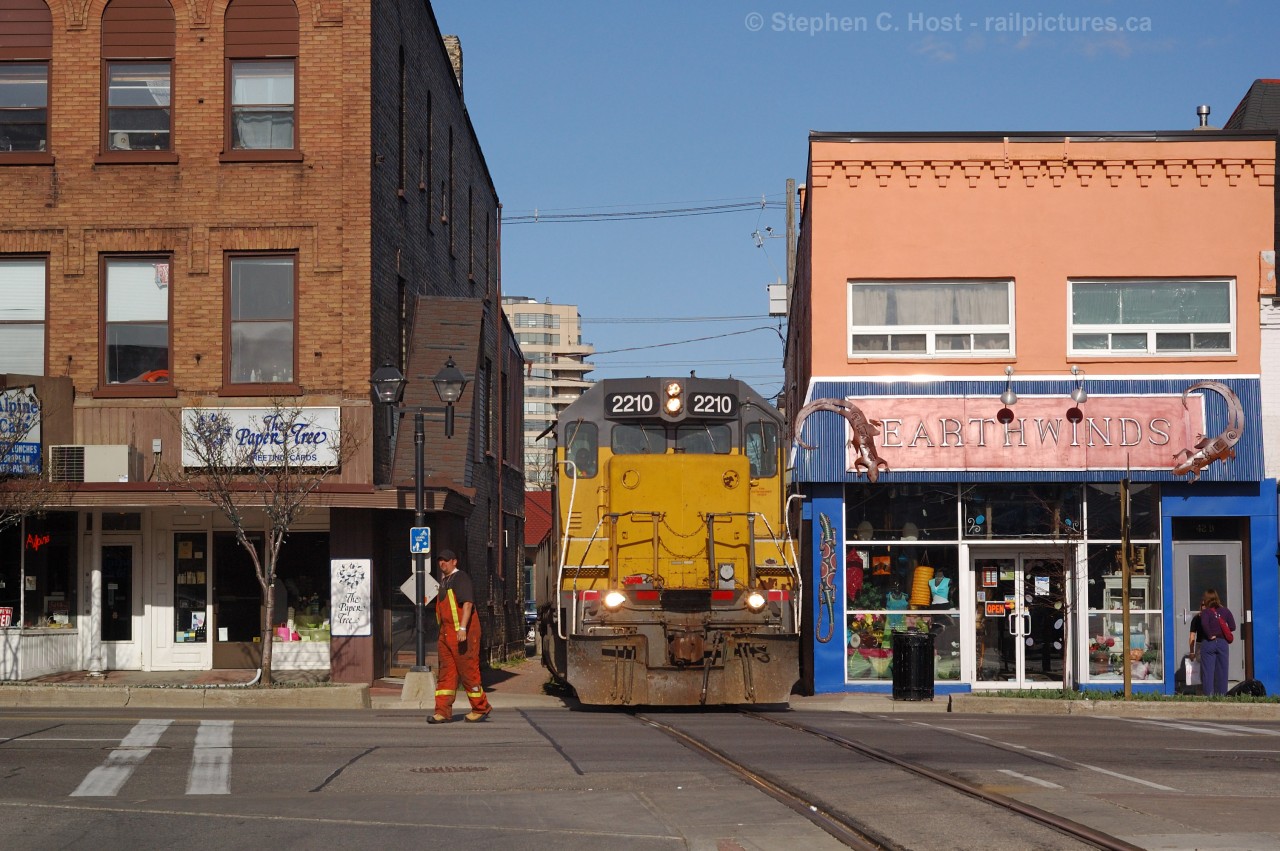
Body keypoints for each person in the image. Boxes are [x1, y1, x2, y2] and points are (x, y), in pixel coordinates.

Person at [428, 549, 492, 723]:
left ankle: (480, 707)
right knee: (446, 673)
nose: (443, 563)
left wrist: (462, 628)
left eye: (446, 560)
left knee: (468, 671)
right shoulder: (444, 582)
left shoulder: (460, 578)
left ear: (454, 562)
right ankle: (442, 711)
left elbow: (468, 604)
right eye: (440, 561)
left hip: (461, 633)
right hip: (446, 633)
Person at [1189, 588, 1237, 697]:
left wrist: (1210, 635)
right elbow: (1233, 626)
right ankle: (1221, 696)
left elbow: (1205, 625)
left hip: (1208, 643)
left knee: (1208, 672)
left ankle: (1208, 696)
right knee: (1222, 671)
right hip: (1222, 643)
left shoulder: (1206, 612)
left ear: (1206, 599)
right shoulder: (1226, 611)